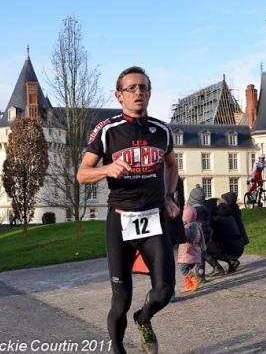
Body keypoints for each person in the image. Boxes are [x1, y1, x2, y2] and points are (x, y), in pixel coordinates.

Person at [77, 66, 180, 354]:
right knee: (120, 299)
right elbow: (81, 173)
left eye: (143, 88)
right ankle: (117, 348)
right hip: (120, 221)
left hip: (153, 219)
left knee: (164, 291)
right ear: (119, 95)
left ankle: (143, 318)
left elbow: (172, 166)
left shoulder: (162, 131)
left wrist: (170, 195)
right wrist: (106, 168)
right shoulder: (107, 130)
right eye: (131, 88)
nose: (138, 93)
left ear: (149, 93)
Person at [177, 205, 204, 293]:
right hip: (194, 253)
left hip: (187, 254)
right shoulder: (196, 226)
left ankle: (194, 279)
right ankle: (189, 285)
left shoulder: (187, 229)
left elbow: (182, 236)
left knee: (183, 269)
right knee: (186, 269)